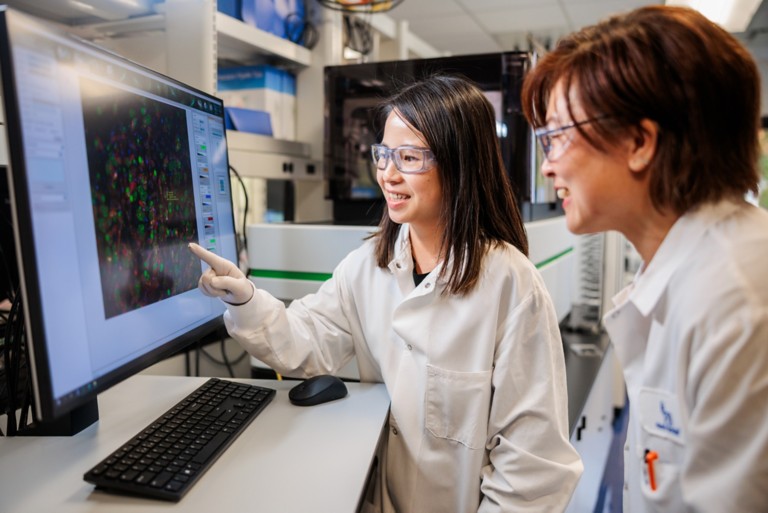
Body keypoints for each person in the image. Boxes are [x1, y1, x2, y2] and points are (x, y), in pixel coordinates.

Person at [190, 75, 582, 512]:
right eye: (383, 155)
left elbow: (534, 468)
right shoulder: (367, 266)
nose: (387, 174)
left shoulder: (511, 284)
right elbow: (306, 341)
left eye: (409, 157)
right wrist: (244, 299)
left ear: (459, 164)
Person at [521, 5, 768, 512]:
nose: (547, 166)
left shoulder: (738, 304)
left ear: (639, 142)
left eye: (557, 137)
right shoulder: (690, 271)